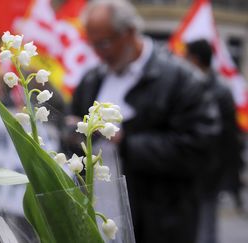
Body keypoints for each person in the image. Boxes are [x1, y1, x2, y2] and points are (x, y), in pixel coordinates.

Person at [71, 1, 220, 243]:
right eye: (93, 44)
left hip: (161, 220)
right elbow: (75, 123)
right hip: (99, 212)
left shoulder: (181, 78)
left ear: (129, 32)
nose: (99, 52)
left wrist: (127, 142)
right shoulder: (92, 78)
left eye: (104, 43)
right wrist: (73, 131)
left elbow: (199, 147)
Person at [184, 39, 245, 243]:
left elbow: (226, 138)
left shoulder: (216, 91)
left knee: (205, 224)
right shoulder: (196, 86)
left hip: (208, 171)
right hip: (195, 170)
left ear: (195, 59)